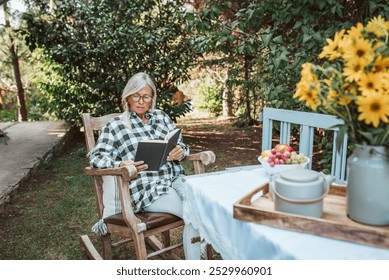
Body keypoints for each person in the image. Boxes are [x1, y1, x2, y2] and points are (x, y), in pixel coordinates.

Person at [88, 72, 201, 260]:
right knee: (193, 211)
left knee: (201, 203)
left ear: (152, 98)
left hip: (174, 179)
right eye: (136, 96)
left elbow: (181, 144)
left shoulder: (162, 118)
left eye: (146, 96)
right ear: (128, 97)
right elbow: (96, 157)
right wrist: (121, 163)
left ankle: (199, 256)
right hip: (147, 189)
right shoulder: (116, 126)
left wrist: (180, 151)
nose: (141, 101)